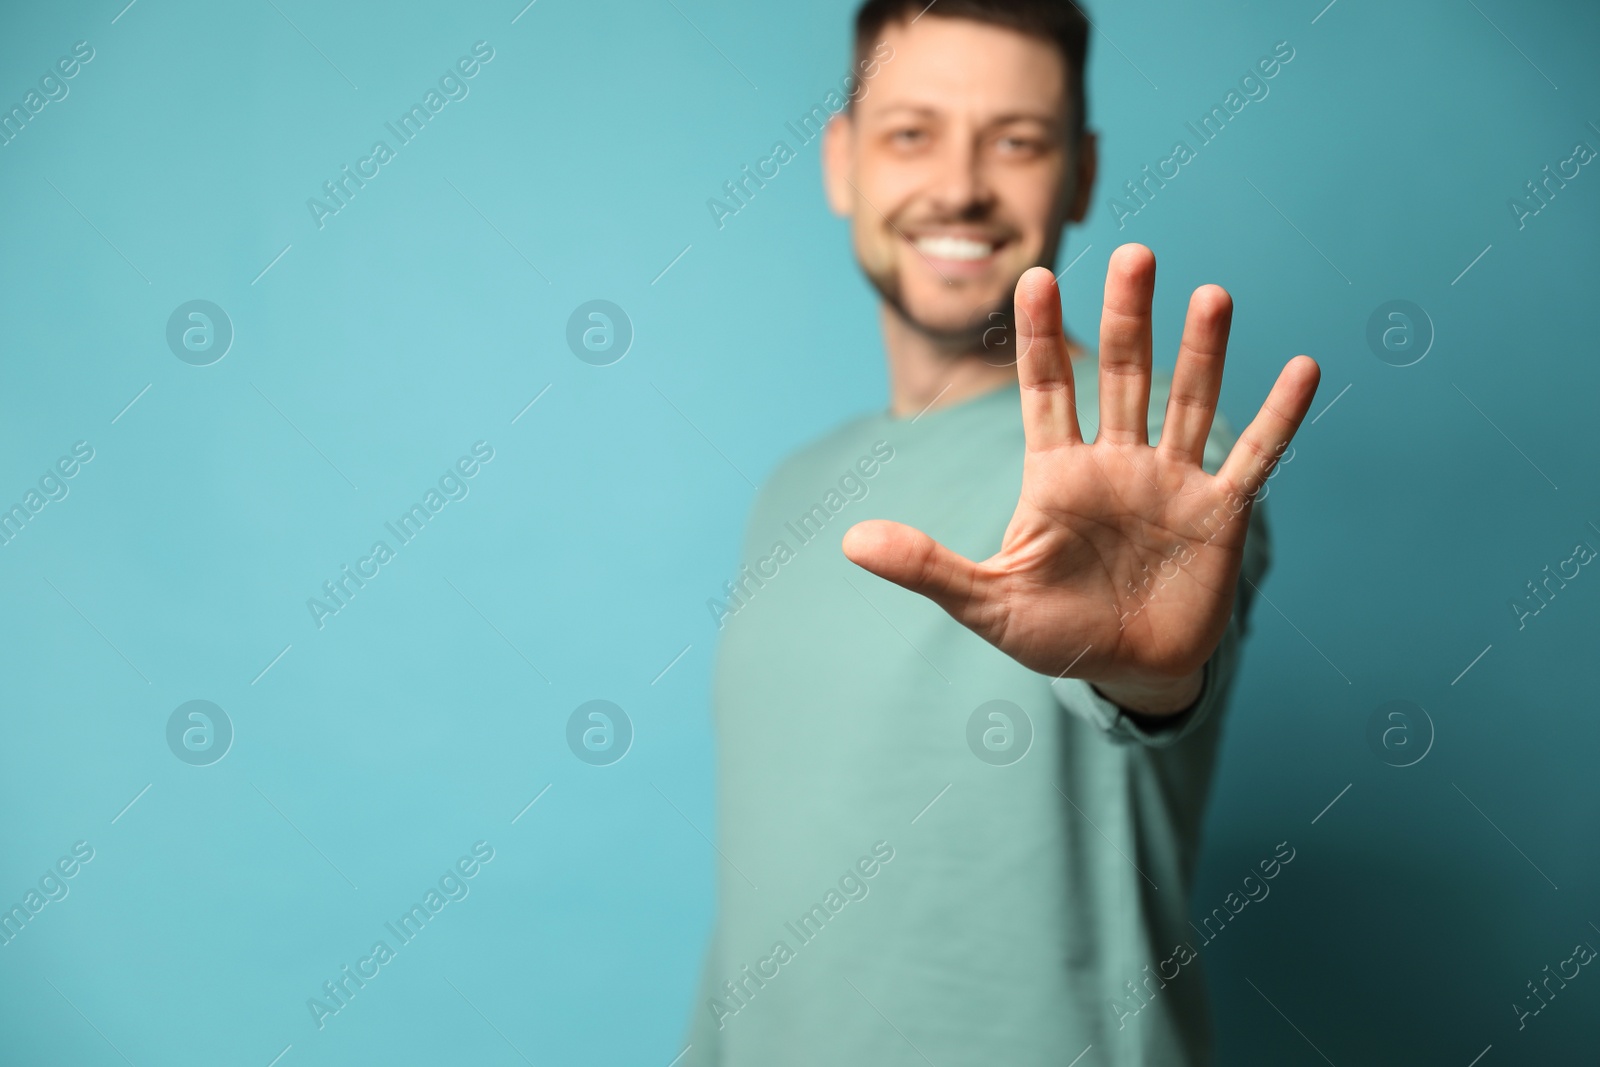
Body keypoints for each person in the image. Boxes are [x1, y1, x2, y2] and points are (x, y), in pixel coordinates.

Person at [684, 1, 1320, 1063]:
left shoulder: (1159, 478)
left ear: (1078, 172)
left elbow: (1153, 676)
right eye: (910, 132)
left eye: (1017, 141)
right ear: (842, 163)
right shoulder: (792, 489)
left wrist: (1148, 675)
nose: (959, 185)